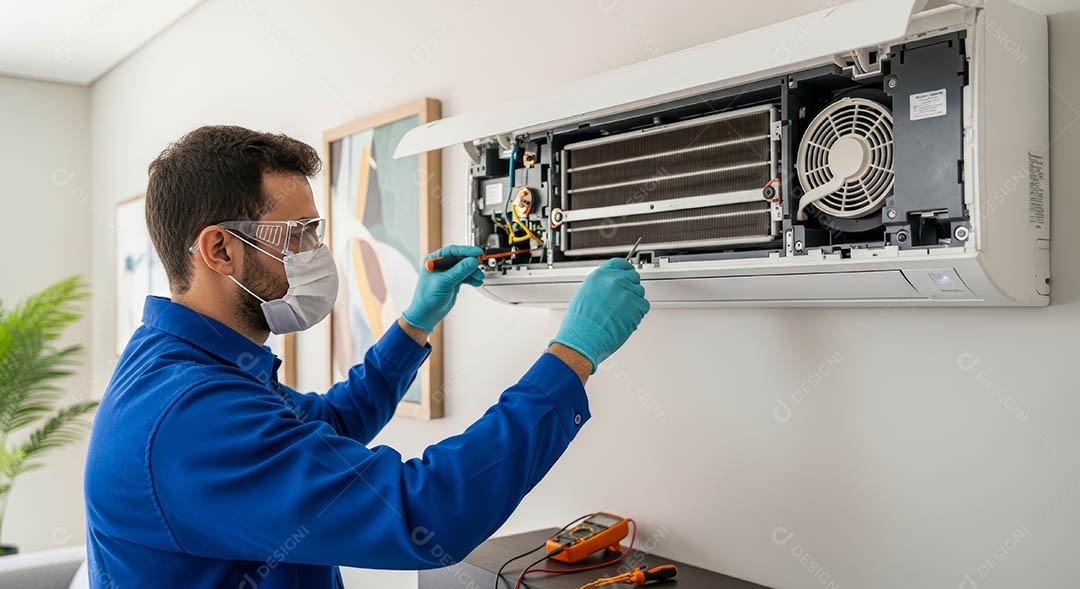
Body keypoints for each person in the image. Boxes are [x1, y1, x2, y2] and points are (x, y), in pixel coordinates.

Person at [84, 125, 650, 588]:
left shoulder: (191, 366)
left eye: (317, 231)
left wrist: (414, 323)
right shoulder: (188, 413)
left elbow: (326, 425)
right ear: (220, 249)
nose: (316, 253)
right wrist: (571, 355)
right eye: (299, 234)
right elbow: (422, 513)